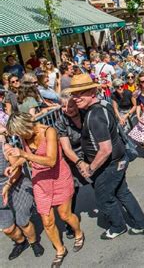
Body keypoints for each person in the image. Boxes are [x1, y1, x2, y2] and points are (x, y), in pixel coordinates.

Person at [65, 73, 144, 239]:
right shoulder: (103, 105)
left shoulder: (94, 115)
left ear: (91, 92)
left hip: (109, 165)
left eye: (80, 93)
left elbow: (105, 149)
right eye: (73, 94)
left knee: (104, 198)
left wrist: (90, 168)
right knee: (122, 192)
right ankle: (141, 223)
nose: (75, 98)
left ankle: (118, 227)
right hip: (117, 160)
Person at [5, 112, 85, 266]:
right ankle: (60, 250)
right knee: (47, 222)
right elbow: (27, 155)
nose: (20, 136)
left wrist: (23, 154)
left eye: (20, 132)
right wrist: (15, 164)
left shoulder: (49, 131)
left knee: (65, 215)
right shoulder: (24, 137)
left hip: (58, 178)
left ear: (27, 126)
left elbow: (51, 161)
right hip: (40, 182)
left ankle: (78, 233)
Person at [0, 123, 45, 261]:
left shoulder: (4, 148)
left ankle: (33, 242)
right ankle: (21, 242)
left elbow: (17, 170)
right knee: (7, 228)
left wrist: (8, 184)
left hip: (16, 185)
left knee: (23, 221)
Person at [55, 94, 90, 239]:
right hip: (73, 158)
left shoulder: (86, 114)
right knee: (72, 191)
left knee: (99, 184)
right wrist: (80, 163)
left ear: (76, 104)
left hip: (90, 153)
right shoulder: (60, 122)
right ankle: (70, 223)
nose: (67, 109)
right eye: (63, 106)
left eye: (70, 105)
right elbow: (66, 149)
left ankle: (108, 211)